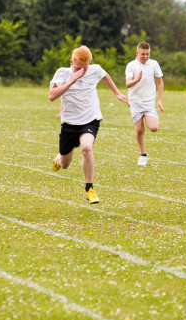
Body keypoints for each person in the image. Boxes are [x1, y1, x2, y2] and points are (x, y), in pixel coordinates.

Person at [49, 45, 130, 204]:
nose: (82, 71)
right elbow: (52, 96)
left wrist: (117, 93)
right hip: (69, 124)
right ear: (71, 62)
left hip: (90, 119)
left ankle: (89, 189)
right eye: (78, 68)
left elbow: (105, 75)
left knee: (87, 147)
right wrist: (71, 80)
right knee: (65, 164)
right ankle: (58, 159)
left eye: (85, 68)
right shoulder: (62, 73)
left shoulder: (94, 69)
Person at [125, 41, 164, 166]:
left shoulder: (154, 64)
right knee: (139, 129)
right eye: (143, 54)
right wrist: (136, 80)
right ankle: (143, 155)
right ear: (137, 53)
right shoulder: (131, 65)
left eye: (147, 54)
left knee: (153, 128)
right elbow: (127, 84)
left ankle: (147, 116)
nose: (146, 57)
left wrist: (160, 100)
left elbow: (160, 83)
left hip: (149, 101)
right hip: (135, 101)